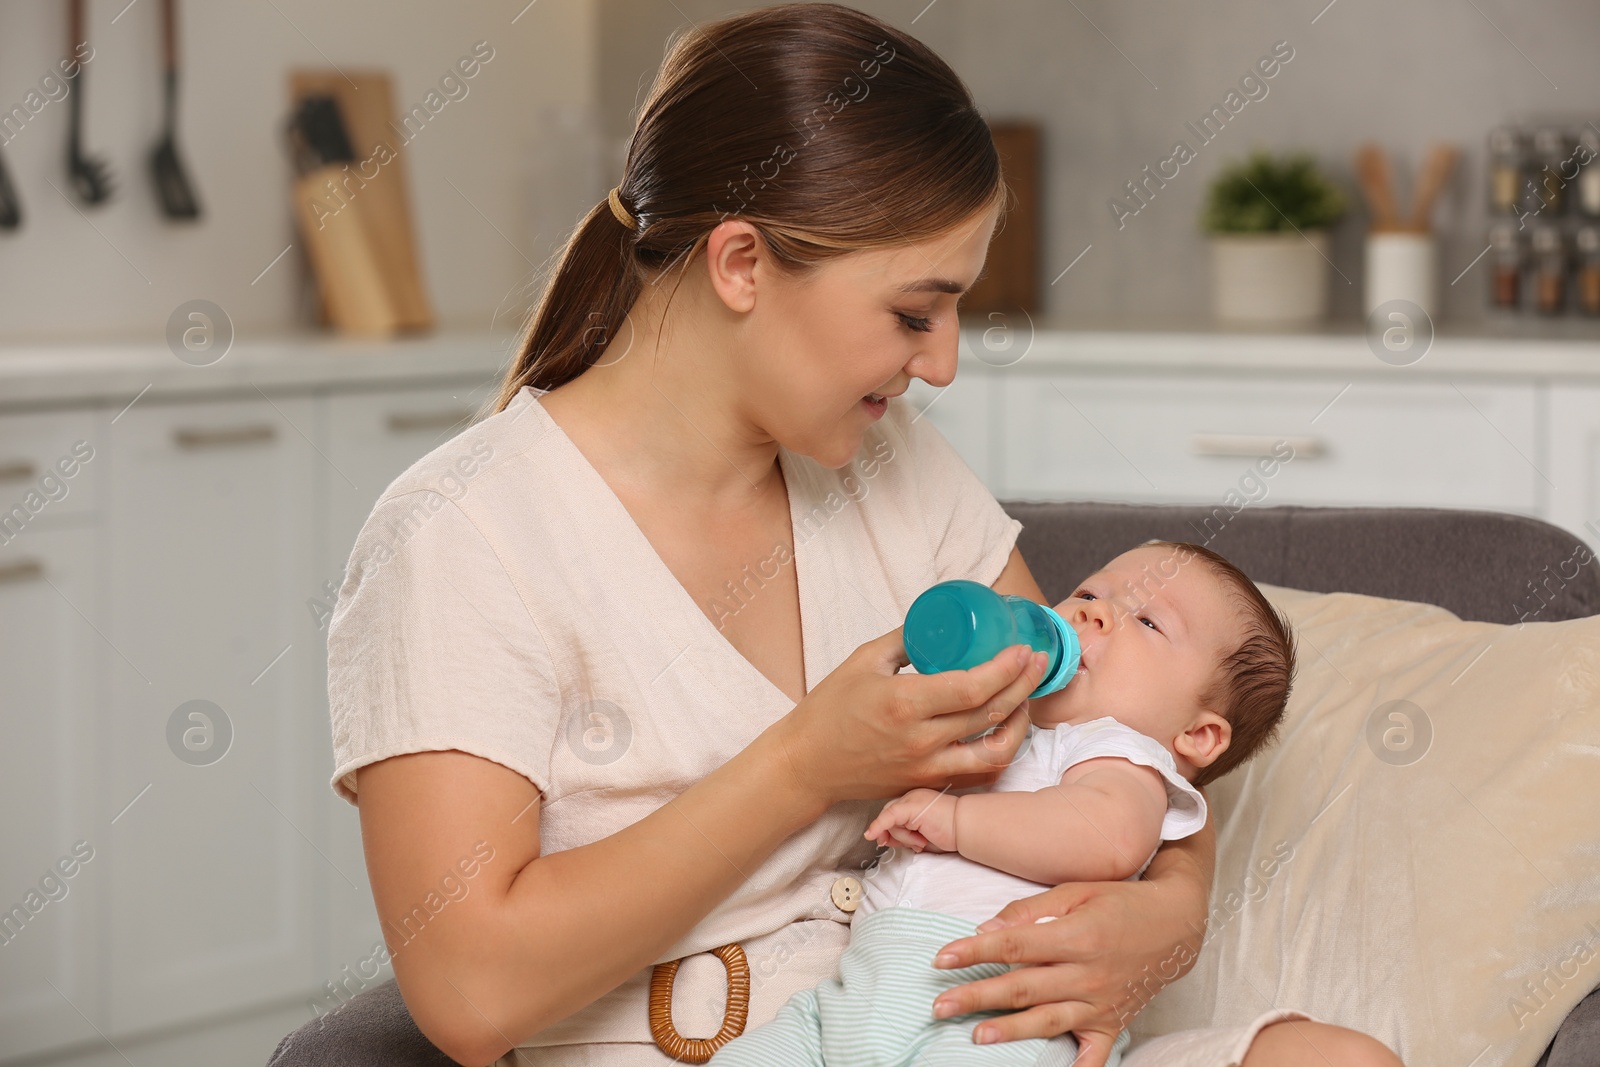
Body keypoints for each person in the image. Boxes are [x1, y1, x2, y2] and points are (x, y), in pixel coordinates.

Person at [326, 5, 1404, 1065]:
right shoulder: (462, 536)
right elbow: (469, 992)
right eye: (911, 313)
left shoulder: (891, 466)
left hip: (963, 1024)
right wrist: (805, 766)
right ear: (741, 263)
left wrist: (1169, 913)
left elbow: (1096, 722)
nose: (940, 364)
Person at [706, 540, 1318, 1066]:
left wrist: (955, 820)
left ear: (1197, 736)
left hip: (994, 1012)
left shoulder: (1119, 753)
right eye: (1088, 591)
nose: (1094, 611)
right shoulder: (1006, 721)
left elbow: (1106, 837)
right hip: (856, 993)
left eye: (1149, 621)